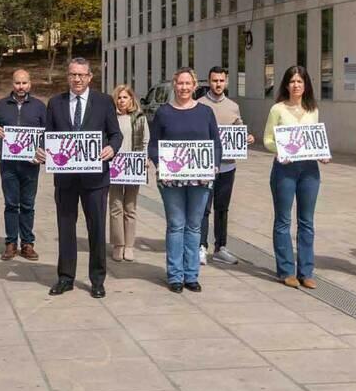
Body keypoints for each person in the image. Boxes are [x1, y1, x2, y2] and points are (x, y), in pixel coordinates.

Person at [39, 57, 122, 298]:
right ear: (68, 76)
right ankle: (65, 277)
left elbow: (115, 134)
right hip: (65, 179)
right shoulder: (55, 103)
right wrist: (43, 150)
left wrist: (112, 148)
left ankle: (97, 279)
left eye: (81, 75)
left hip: (96, 178)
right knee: (65, 227)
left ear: (89, 77)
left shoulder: (104, 102)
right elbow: (48, 135)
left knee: (96, 228)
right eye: (73, 75)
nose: (77, 79)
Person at [147, 68, 220, 292]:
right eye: (180, 83)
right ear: (174, 85)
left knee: (194, 226)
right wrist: (159, 162)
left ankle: (191, 275)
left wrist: (215, 164)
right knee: (176, 225)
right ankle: (175, 275)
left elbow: (215, 143)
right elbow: (153, 144)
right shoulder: (163, 113)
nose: (184, 88)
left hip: (200, 178)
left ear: (195, 85)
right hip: (172, 181)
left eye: (188, 83)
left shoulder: (206, 112)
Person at [262, 66, 329, 289]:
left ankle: (306, 271)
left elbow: (314, 139)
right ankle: (286, 270)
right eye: (292, 81)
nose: (296, 85)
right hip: (285, 169)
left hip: (309, 170)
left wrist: (322, 154)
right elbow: (268, 140)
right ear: (286, 85)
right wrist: (279, 150)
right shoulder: (277, 109)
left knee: (306, 221)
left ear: (306, 85)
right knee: (283, 220)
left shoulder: (313, 109)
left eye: (300, 81)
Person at [0, 69, 45, 261]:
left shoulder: (39, 106)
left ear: (30, 84)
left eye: (24, 83)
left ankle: (27, 243)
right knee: (11, 204)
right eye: (17, 83)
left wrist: (42, 152)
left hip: (31, 164)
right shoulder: (1, 105)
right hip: (8, 164)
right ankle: (10, 243)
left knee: (28, 204)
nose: (21, 87)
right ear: (12, 84)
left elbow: (47, 134)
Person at [197, 66, 247, 266]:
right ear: (209, 82)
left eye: (221, 80)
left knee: (222, 208)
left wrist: (246, 136)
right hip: (206, 166)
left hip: (227, 166)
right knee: (203, 208)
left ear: (226, 82)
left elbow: (239, 129)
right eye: (214, 80)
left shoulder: (233, 106)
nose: (218, 84)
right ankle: (201, 246)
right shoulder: (199, 105)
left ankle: (221, 247)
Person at [108, 84, 147, 262]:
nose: (122, 100)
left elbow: (146, 140)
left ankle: (129, 246)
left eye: (125, 97)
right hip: (114, 166)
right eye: (119, 97)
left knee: (130, 207)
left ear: (131, 99)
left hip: (133, 166)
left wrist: (144, 159)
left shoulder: (139, 117)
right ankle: (118, 244)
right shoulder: (110, 118)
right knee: (116, 206)